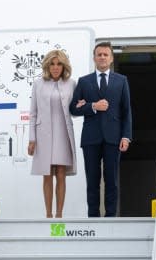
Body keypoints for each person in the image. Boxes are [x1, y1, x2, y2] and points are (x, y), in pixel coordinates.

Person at [70, 42, 132, 217]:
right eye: (99, 54)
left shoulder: (121, 81)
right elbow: (73, 109)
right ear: (94, 58)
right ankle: (93, 217)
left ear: (111, 58)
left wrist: (126, 136)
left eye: (106, 54)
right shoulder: (84, 81)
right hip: (91, 138)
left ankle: (111, 216)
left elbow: (126, 111)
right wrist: (93, 106)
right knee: (92, 180)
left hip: (114, 137)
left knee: (111, 180)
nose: (102, 57)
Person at [27, 50, 77, 218]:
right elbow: (33, 113)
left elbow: (75, 111)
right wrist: (32, 139)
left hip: (63, 132)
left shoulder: (71, 84)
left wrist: (82, 105)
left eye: (59, 64)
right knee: (47, 175)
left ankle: (59, 215)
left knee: (61, 174)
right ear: (47, 66)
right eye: (52, 64)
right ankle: (48, 215)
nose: (56, 68)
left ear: (64, 66)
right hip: (43, 134)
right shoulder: (38, 84)